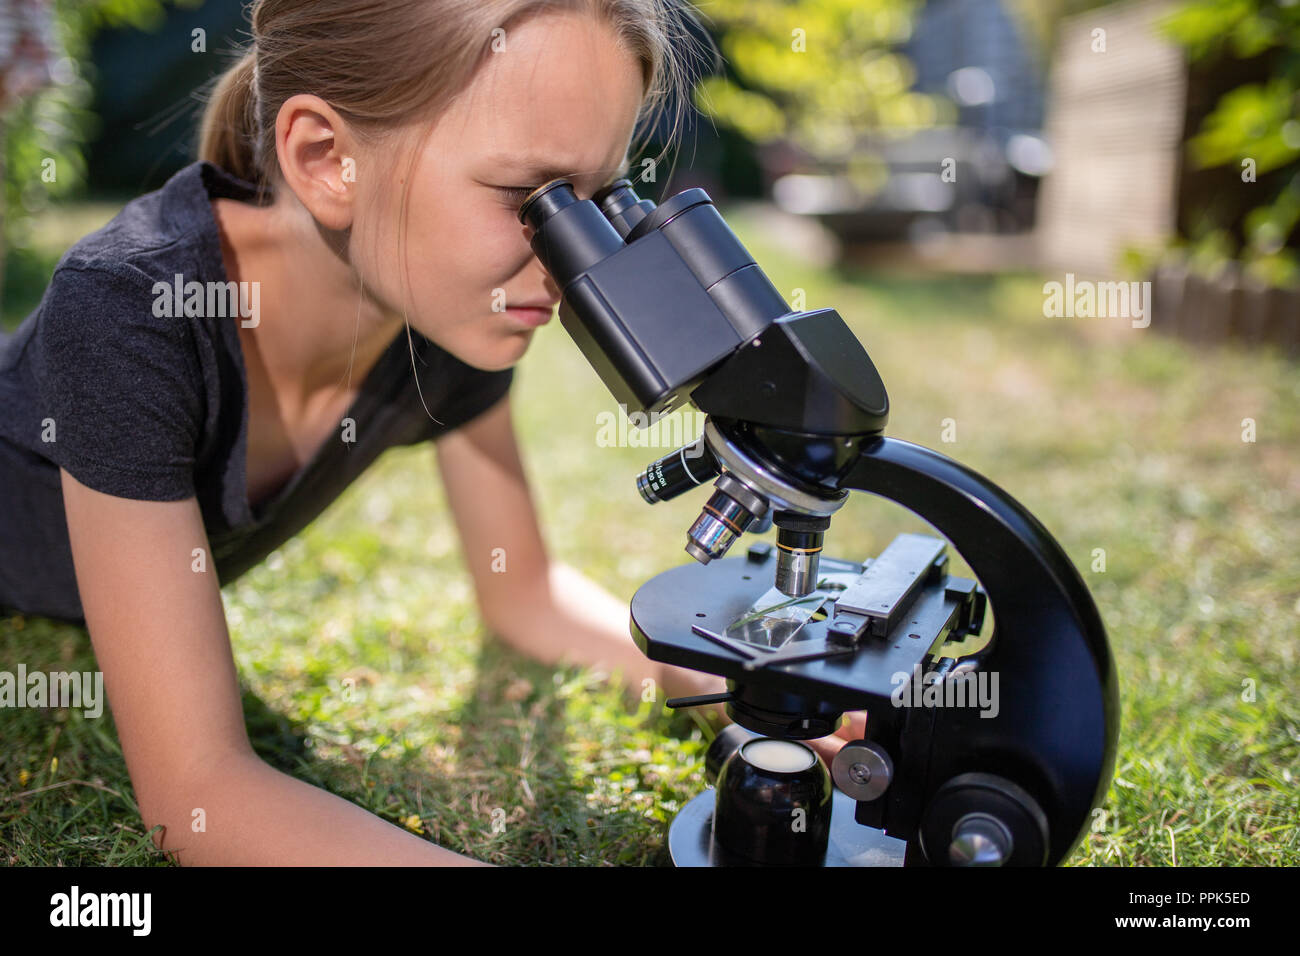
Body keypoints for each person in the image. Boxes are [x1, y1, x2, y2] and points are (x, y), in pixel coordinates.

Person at [0, 0, 863, 865]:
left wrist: (759, 701)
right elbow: (195, 794)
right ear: (327, 158)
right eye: (531, 199)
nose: (575, 269)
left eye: (596, 204)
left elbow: (523, 590)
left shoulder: (447, 325)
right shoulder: (128, 310)